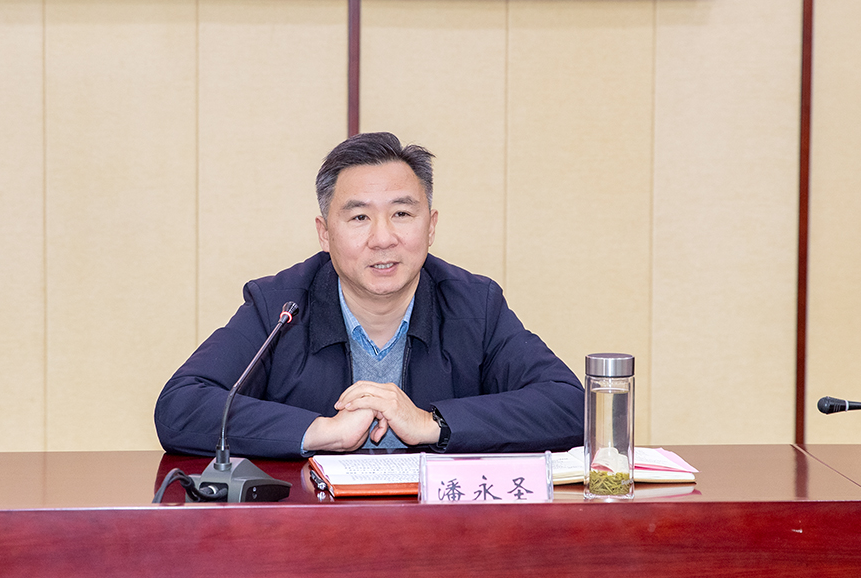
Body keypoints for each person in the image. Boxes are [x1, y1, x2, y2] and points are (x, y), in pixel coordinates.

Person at [155, 132, 584, 458]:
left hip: (440, 532)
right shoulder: (280, 306)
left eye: (402, 213)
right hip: (310, 532)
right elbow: (180, 406)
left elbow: (570, 406)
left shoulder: (474, 305)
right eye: (359, 217)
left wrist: (432, 423)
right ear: (325, 234)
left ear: (431, 226)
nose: (383, 238)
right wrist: (320, 431)